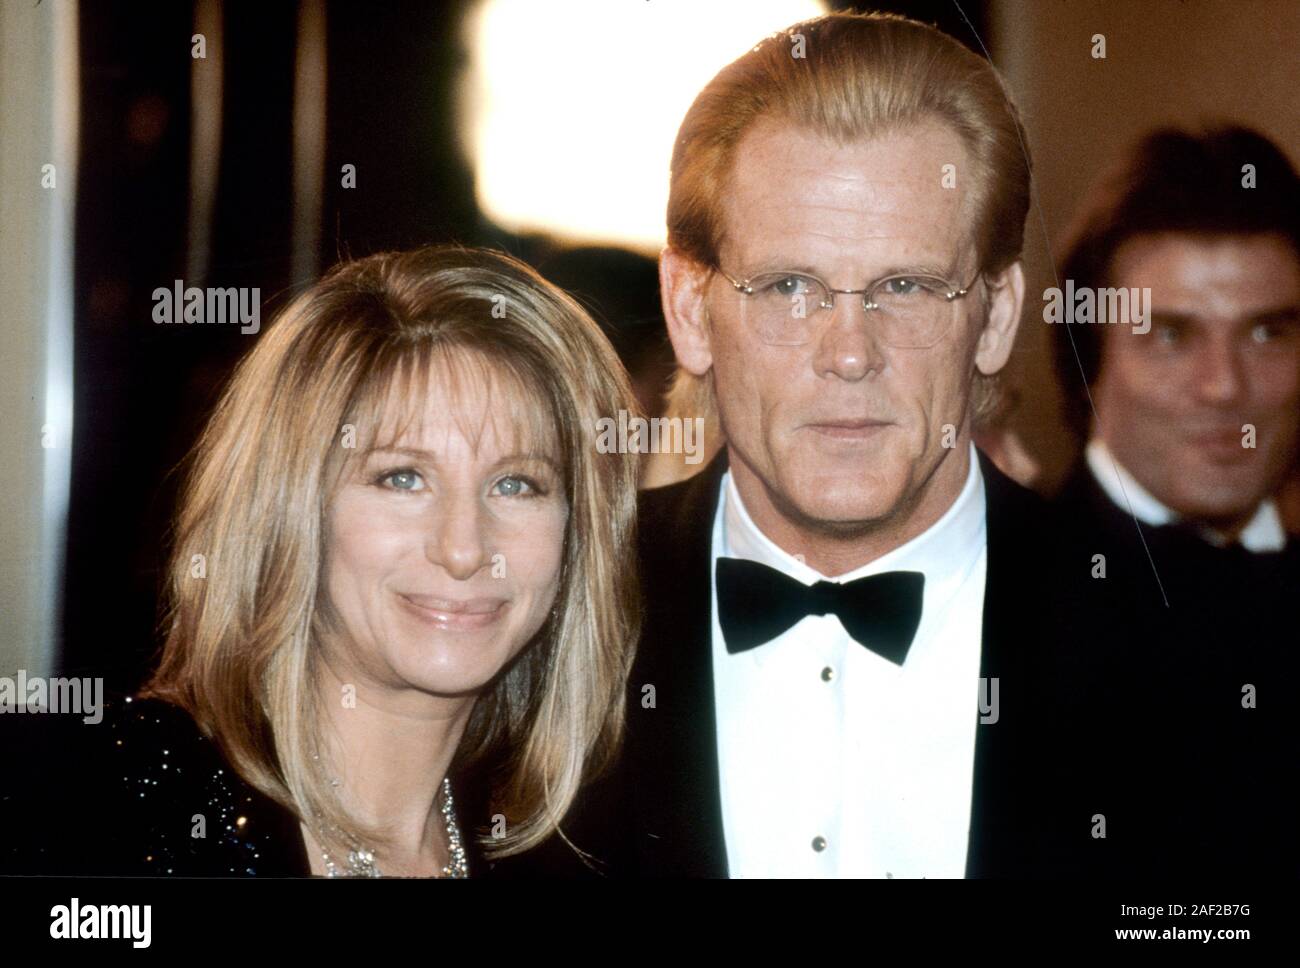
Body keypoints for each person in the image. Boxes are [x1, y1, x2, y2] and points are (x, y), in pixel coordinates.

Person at [496, 10, 1118, 879]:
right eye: (790, 286)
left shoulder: (1185, 641)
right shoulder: (532, 621)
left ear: (996, 317)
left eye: (906, 284)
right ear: (689, 310)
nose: (851, 353)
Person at [0, 245, 641, 877]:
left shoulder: (576, 853)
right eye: (402, 478)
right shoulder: (90, 806)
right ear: (289, 508)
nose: (464, 548)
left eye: (516, 485)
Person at [1046, 126, 1300, 876]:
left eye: (1267, 333)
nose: (1224, 386)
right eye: (1170, 335)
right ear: (1090, 361)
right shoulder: (997, 593)